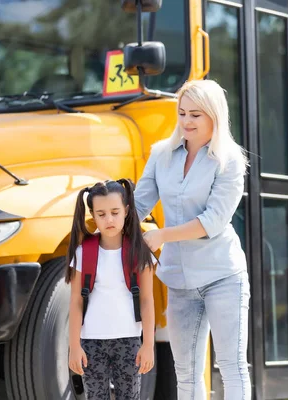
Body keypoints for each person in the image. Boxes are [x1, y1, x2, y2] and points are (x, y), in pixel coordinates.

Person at [133, 79, 251, 400]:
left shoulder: (230, 162)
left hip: (222, 276)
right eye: (182, 113)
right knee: (185, 375)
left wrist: (160, 235)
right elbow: (138, 204)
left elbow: (212, 220)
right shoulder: (161, 155)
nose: (186, 122)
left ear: (215, 116)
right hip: (179, 279)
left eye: (196, 115)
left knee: (231, 366)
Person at [66, 179, 157, 400]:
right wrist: (74, 345)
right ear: (92, 215)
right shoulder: (82, 252)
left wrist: (148, 345)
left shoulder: (139, 252)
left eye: (115, 212)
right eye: (101, 213)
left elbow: (146, 300)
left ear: (126, 211)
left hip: (129, 340)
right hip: (91, 342)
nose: (109, 219)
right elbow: (77, 302)